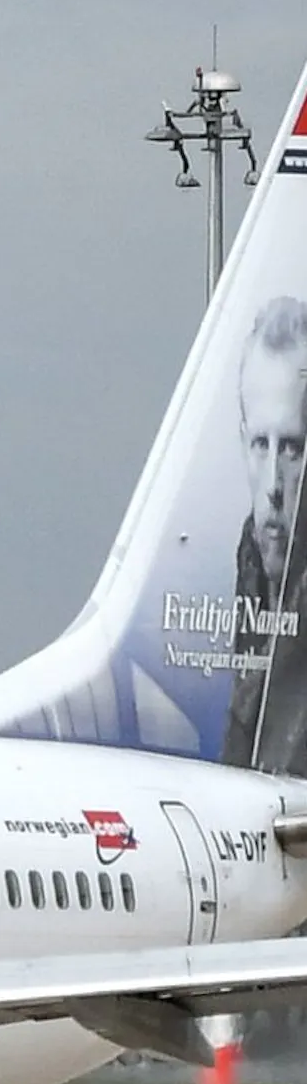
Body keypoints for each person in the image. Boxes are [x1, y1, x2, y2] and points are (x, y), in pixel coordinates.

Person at [222, 296, 307, 772]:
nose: (273, 483)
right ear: (242, 442)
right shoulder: (251, 557)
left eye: (293, 449)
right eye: (261, 444)